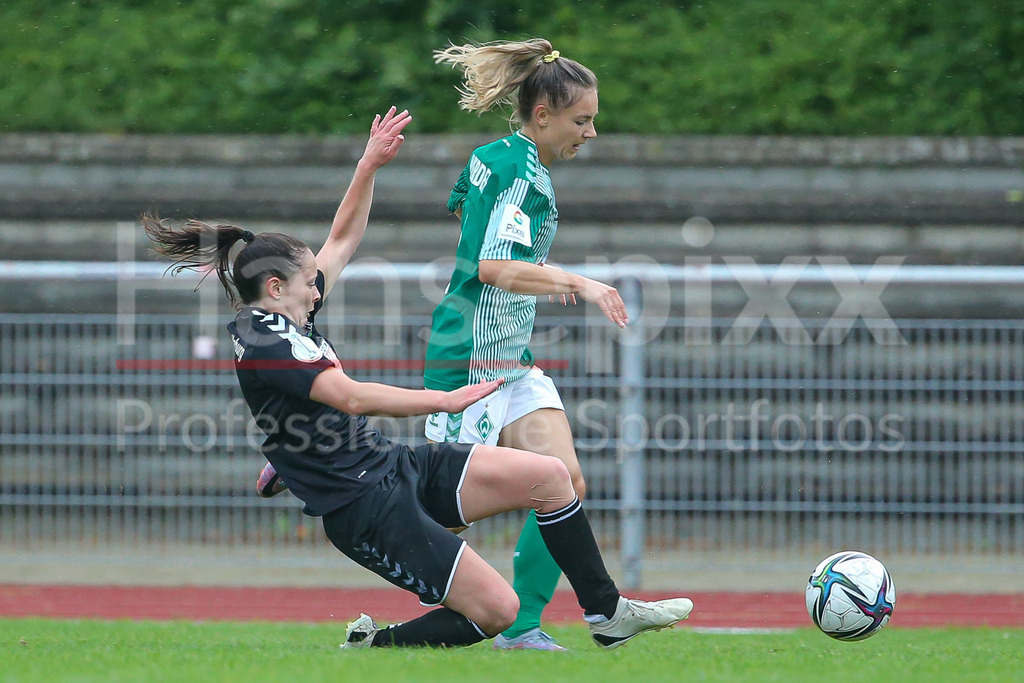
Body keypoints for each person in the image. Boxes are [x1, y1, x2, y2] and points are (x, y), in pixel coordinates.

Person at [145, 107, 693, 649]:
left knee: (551, 478)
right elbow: (353, 398)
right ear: (274, 286)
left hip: (392, 466)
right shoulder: (267, 341)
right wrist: (445, 400)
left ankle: (606, 614)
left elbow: (342, 239)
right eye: (310, 282)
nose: (319, 289)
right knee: (497, 610)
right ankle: (371, 648)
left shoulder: (290, 313)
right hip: (364, 507)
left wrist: (369, 165)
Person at [420, 38, 630, 651]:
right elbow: (490, 265)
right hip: (470, 360)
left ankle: (520, 627)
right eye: (582, 120)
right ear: (543, 116)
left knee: (564, 479)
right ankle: (329, 481)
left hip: (510, 358)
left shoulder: (499, 159)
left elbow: (464, 213)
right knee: (442, 513)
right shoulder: (517, 170)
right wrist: (576, 281)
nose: (591, 132)